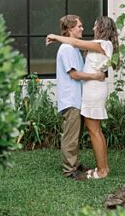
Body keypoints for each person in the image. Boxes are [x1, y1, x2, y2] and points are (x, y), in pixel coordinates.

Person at [47, 15, 119, 179]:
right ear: (70, 29)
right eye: (79, 26)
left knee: (93, 132)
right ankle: (75, 169)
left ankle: (101, 170)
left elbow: (76, 44)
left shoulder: (100, 44)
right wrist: (95, 76)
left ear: (102, 28)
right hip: (76, 97)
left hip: (90, 93)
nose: (87, 29)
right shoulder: (70, 48)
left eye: (94, 26)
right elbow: (74, 73)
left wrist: (55, 37)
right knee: (84, 134)